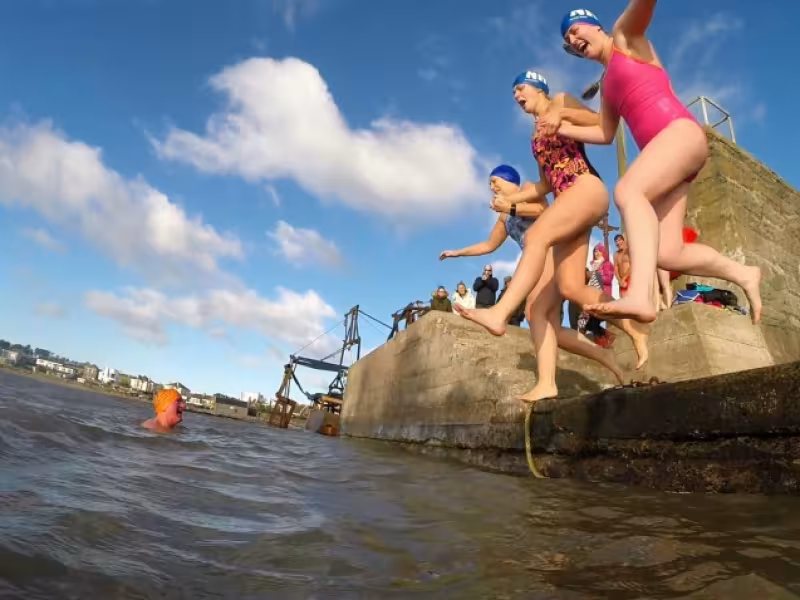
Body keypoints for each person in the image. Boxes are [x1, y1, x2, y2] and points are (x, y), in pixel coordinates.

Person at [554, 4, 762, 325]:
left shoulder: (626, 39)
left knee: (628, 190)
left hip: (679, 133)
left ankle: (640, 296)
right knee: (668, 252)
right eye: (568, 39)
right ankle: (744, 273)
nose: (572, 38)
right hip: (668, 155)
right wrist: (562, 128)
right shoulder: (607, 87)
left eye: (574, 29)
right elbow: (604, 132)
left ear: (596, 26)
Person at [452, 71, 649, 400]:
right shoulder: (534, 136)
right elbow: (544, 186)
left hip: (585, 188)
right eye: (513, 92)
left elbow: (601, 122)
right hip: (567, 201)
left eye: (520, 88)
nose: (517, 96)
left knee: (538, 235)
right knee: (551, 301)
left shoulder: (559, 101)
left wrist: (562, 114)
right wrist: (510, 201)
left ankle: (499, 314)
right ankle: (553, 379)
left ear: (537, 86)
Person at [441, 163, 628, 400]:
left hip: (550, 252)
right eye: (489, 184)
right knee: (548, 326)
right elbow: (488, 245)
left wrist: (510, 206)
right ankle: (602, 356)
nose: (492, 187)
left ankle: (549, 381)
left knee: (536, 313)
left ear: (510, 181)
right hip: (534, 263)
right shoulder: (503, 217)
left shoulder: (528, 189)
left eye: (495, 181)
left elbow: (542, 211)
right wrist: (457, 252)